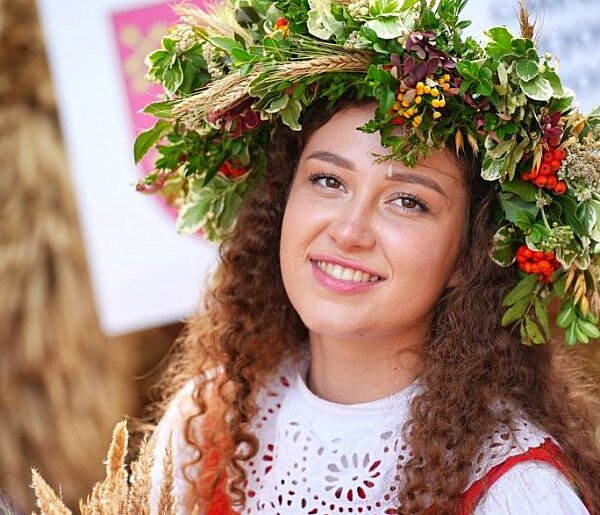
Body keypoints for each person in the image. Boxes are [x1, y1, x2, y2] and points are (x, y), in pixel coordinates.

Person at [136, 0, 600, 513]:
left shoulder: (517, 492)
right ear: (282, 200)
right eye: (328, 181)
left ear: (469, 256)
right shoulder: (205, 424)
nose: (349, 231)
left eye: (408, 202)